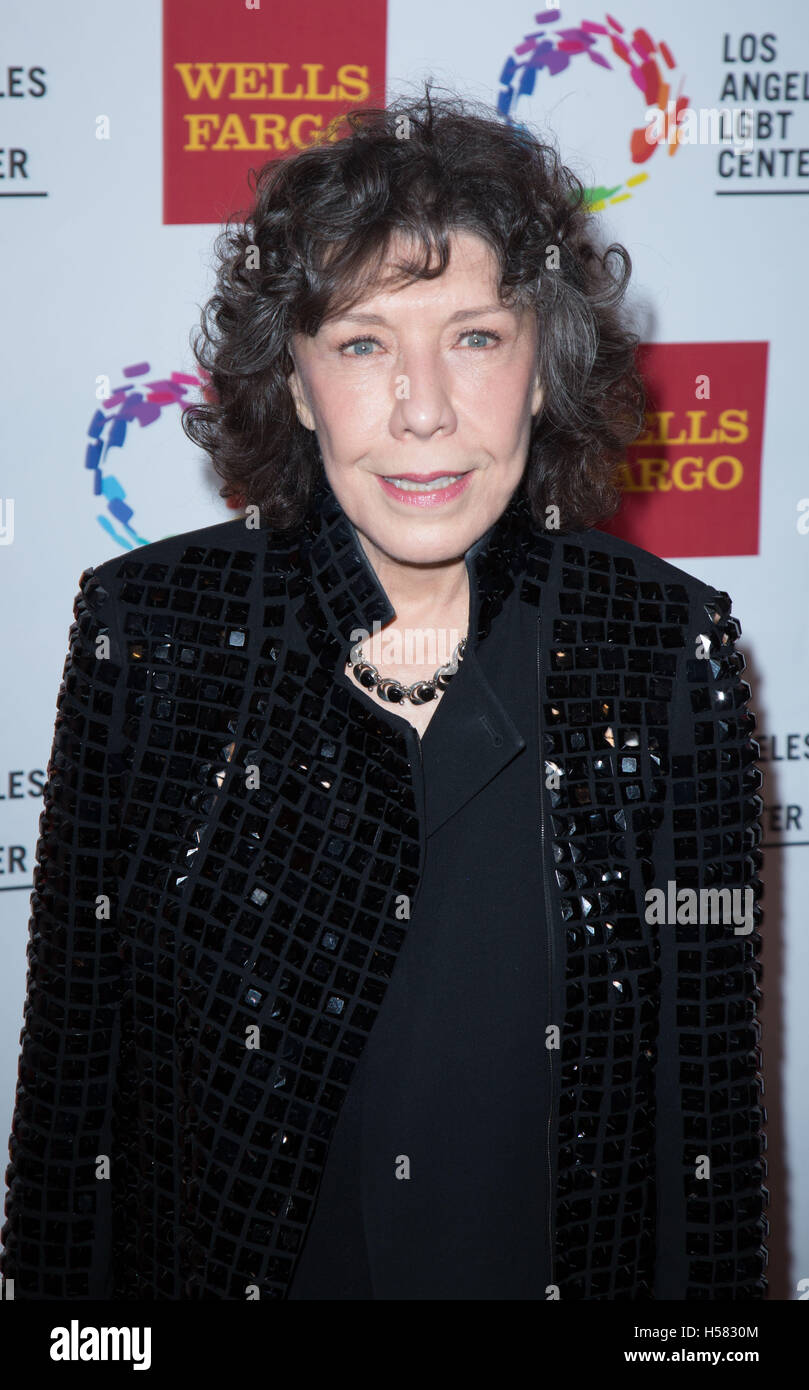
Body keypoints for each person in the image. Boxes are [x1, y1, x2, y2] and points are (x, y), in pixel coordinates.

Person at [0, 84, 768, 1300]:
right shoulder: (149, 637)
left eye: (474, 337)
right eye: (362, 343)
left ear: (538, 368)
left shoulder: (662, 651)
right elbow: (72, 1115)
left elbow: (707, 1132)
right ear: (298, 386)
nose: (422, 410)